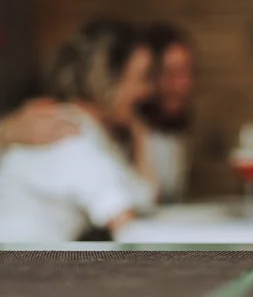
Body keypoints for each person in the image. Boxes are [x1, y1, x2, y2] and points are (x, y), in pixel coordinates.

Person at [0, 19, 156, 241]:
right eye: (141, 78)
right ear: (107, 79)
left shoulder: (93, 133)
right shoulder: (66, 131)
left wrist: (140, 131)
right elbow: (130, 230)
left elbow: (143, 197)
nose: (147, 91)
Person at [136, 22, 194, 203]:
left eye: (187, 72)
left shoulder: (176, 129)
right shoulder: (127, 135)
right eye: (171, 73)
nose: (183, 85)